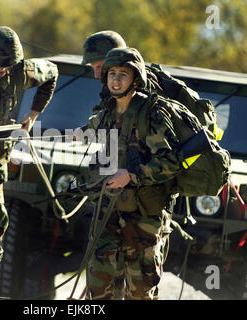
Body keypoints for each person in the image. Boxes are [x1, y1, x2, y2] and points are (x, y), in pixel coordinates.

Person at [0, 26, 58, 299]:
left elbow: (51, 72)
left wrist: (34, 113)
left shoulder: (21, 71)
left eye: (7, 64)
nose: (1, 69)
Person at [84, 47, 184, 300]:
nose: (116, 80)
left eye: (123, 75)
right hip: (109, 211)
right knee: (99, 286)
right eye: (112, 74)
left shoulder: (152, 114)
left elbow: (172, 161)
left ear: (136, 79)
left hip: (144, 218)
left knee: (140, 291)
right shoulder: (105, 113)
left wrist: (131, 175)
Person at [82, 30, 127, 112]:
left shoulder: (137, 95)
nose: (96, 75)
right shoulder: (110, 92)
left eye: (99, 67)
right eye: (93, 67)